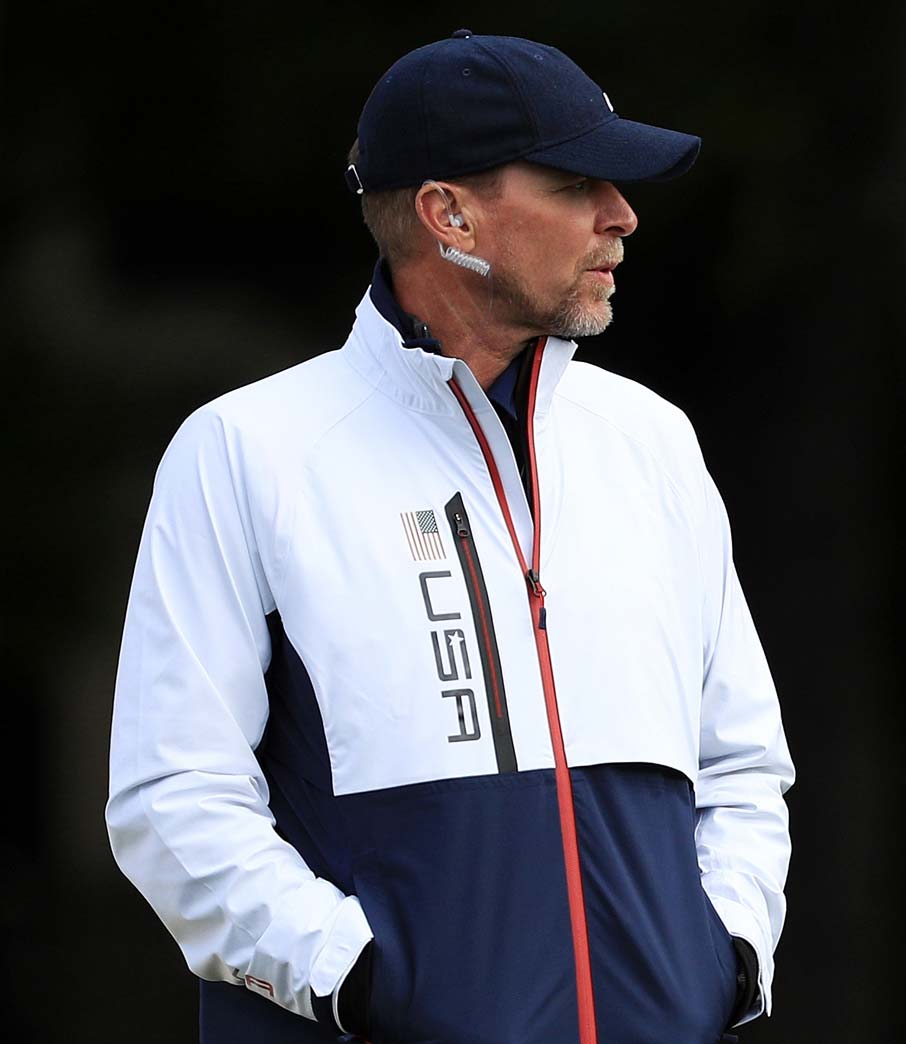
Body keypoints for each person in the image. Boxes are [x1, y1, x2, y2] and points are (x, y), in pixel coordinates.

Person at [106, 30, 794, 1044]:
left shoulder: (650, 440)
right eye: (575, 184)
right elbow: (172, 796)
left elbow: (741, 763)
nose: (621, 215)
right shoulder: (246, 451)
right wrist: (358, 982)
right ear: (448, 214)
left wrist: (722, 956)